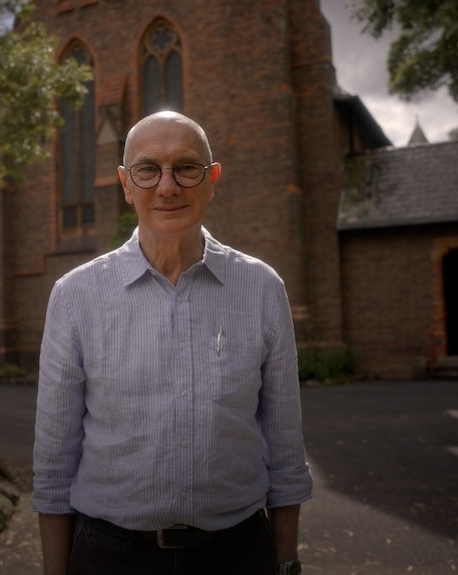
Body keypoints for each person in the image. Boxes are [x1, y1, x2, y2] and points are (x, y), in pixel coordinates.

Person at [32, 111, 313, 575]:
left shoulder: (262, 289)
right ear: (126, 183)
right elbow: (54, 462)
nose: (167, 187)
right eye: (148, 170)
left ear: (212, 179)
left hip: (237, 555)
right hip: (109, 557)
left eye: (186, 167)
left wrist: (285, 563)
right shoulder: (75, 297)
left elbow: (284, 446)